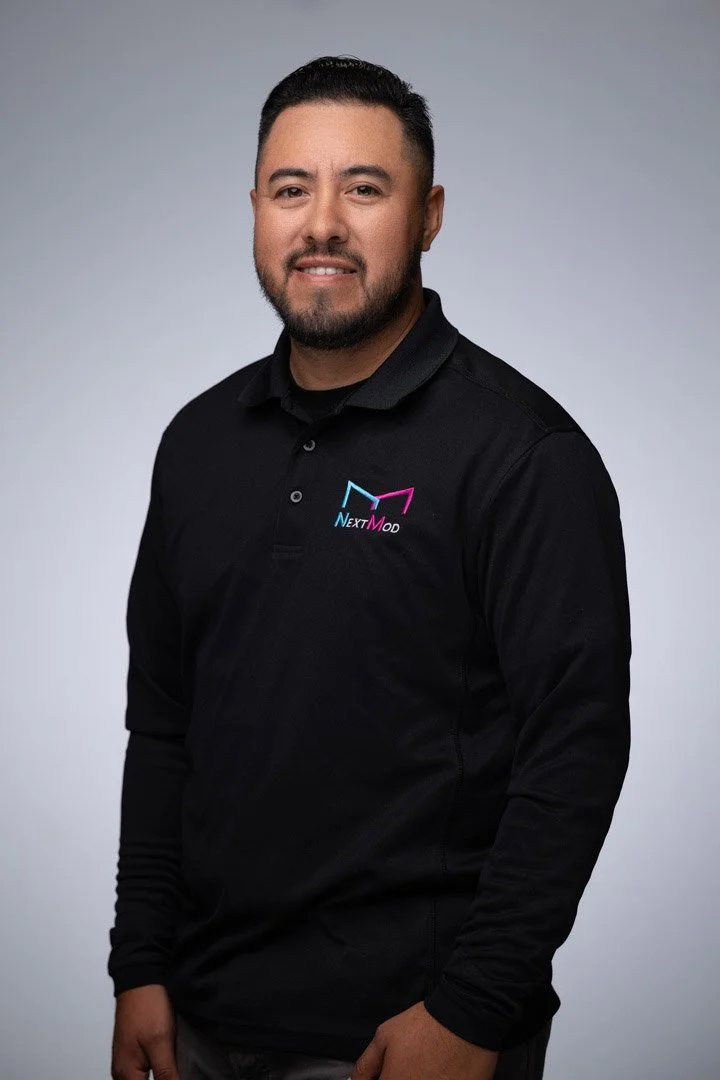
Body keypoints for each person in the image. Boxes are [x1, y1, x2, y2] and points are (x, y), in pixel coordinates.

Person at [108, 56, 631, 1080]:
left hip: (407, 1037)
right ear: (255, 210)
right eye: (290, 189)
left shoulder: (523, 455)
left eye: (364, 188)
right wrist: (139, 964)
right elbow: (164, 726)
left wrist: (474, 1009)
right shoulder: (198, 443)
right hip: (197, 1020)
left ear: (428, 216)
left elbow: (576, 748)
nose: (322, 225)